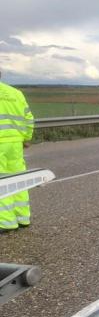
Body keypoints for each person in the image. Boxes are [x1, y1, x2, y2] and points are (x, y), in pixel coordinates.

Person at [0, 70, 34, 232]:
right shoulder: (16, 93)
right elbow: (28, 118)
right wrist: (26, 138)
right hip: (15, 144)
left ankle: (6, 223)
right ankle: (23, 218)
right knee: (18, 179)